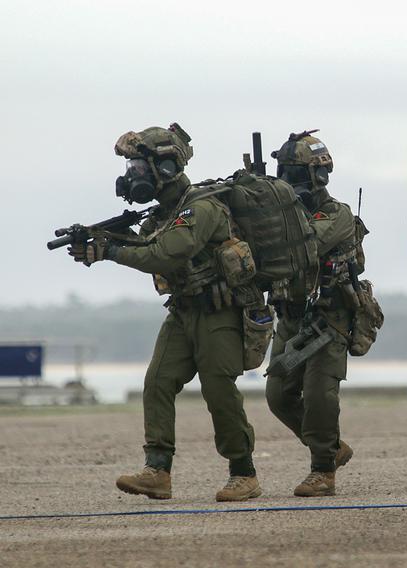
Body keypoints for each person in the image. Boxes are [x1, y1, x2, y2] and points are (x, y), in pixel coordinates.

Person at [69, 124, 262, 501]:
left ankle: (244, 473)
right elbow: (145, 246)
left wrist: (108, 252)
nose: (132, 177)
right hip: (183, 310)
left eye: (139, 168)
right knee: (157, 382)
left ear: (168, 167)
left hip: (220, 311)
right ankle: (157, 470)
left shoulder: (200, 207)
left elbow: (164, 253)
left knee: (218, 390)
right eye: (132, 169)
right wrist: (99, 243)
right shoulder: (163, 214)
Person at [265, 130, 361, 497]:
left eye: (294, 173)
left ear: (317, 175)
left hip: (328, 317)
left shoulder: (336, 214)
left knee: (320, 395)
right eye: (283, 173)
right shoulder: (277, 215)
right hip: (290, 316)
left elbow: (304, 248)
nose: (286, 181)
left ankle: (322, 468)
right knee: (278, 395)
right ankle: (333, 448)